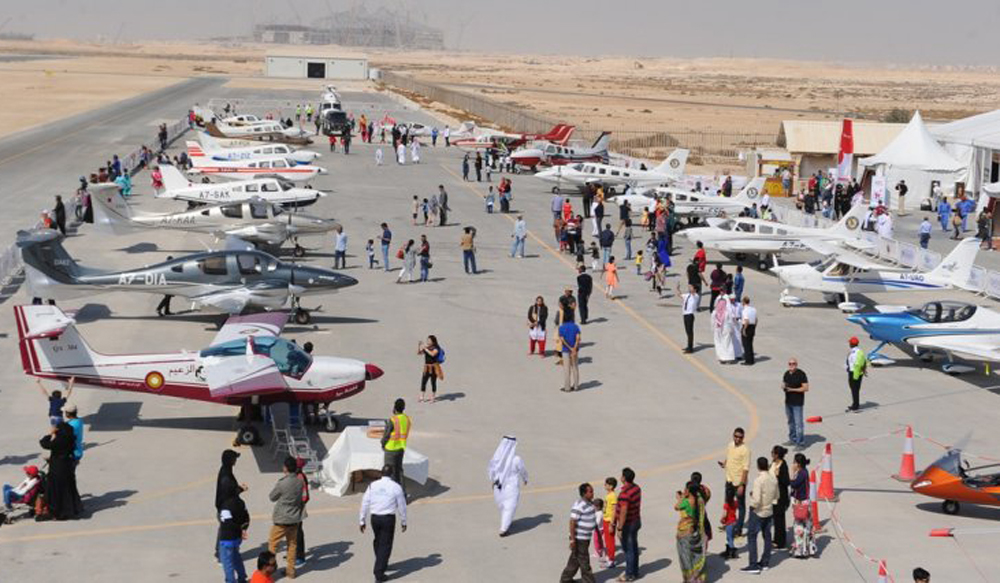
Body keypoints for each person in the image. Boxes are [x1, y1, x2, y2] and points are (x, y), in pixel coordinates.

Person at [359, 465, 408, 583]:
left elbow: (365, 502)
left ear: (381, 473)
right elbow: (402, 505)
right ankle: (379, 573)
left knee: (378, 541)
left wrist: (362, 520)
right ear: (391, 474)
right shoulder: (396, 487)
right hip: (388, 519)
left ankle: (381, 561)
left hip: (375, 518)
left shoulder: (372, 485)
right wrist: (404, 521)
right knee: (385, 544)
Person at [268, 456, 304, 579]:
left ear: (286, 468)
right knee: (292, 545)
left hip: (282, 519)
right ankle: (291, 571)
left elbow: (272, 497)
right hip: (294, 519)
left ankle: (270, 571)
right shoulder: (300, 482)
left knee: (273, 544)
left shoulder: (282, 483)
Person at [741, 457, 778, 574]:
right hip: (769, 511)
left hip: (758, 512)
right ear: (767, 466)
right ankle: (765, 562)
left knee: (752, 537)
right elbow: (776, 496)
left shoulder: (758, 480)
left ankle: (753, 565)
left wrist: (752, 503)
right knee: (767, 536)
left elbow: (756, 500)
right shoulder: (773, 479)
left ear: (758, 466)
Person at [39, 422, 81, 520]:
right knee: (66, 489)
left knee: (56, 490)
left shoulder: (59, 441)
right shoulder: (70, 439)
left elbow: (44, 443)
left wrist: (51, 434)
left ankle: (57, 512)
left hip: (57, 469)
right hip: (67, 466)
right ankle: (70, 510)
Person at [488, 436, 528, 536]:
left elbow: (491, 470)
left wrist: (492, 480)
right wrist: (525, 479)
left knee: (503, 507)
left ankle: (505, 522)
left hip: (498, 487)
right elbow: (523, 470)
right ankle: (503, 529)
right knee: (510, 508)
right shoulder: (516, 459)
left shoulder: (497, 458)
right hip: (511, 489)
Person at [560, 482, 598, 583]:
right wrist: (572, 539)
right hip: (580, 538)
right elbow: (572, 522)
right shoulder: (579, 506)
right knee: (584, 560)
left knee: (575, 559)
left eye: (592, 491)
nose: (593, 493)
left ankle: (565, 579)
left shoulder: (590, 503)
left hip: (586, 538)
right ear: (584, 493)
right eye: (590, 492)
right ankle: (588, 581)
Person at [215, 449, 248, 560]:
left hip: (224, 506)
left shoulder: (226, 471)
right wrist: (241, 489)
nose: (236, 461)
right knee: (228, 532)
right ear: (230, 460)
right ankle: (223, 556)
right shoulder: (226, 477)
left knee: (223, 530)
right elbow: (230, 493)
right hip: (226, 508)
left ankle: (219, 553)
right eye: (234, 458)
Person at [719, 427, 750, 537]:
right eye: (736, 436)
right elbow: (728, 457)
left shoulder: (745, 450)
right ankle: (729, 523)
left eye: (740, 437)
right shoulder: (730, 445)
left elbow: (746, 469)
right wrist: (724, 464)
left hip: (738, 482)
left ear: (743, 438)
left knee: (741, 506)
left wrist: (742, 485)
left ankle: (739, 529)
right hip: (729, 479)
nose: (737, 439)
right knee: (728, 503)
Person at [218, 482, 250, 583]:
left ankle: (231, 581)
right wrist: (243, 529)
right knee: (236, 557)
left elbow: (228, 523)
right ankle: (242, 578)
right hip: (237, 537)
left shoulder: (225, 505)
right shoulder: (241, 502)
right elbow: (247, 517)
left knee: (227, 563)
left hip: (227, 538)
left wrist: (239, 530)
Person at [675, 480, 707, 583]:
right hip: (693, 530)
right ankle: (697, 578)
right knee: (694, 557)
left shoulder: (685, 501)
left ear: (689, 491)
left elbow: (676, 507)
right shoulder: (699, 500)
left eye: (686, 489)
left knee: (686, 558)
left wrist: (680, 498)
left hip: (684, 533)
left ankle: (690, 580)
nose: (684, 490)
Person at [614, 467, 642, 582]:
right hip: (636, 520)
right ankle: (634, 571)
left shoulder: (624, 494)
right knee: (634, 547)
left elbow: (623, 512)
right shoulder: (636, 488)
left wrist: (619, 528)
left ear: (624, 478)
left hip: (628, 524)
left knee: (628, 550)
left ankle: (629, 574)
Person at [381, 398, 411, 497]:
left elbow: (386, 435)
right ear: (404, 408)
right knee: (399, 471)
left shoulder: (393, 420)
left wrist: (383, 444)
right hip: (401, 448)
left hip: (391, 449)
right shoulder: (407, 418)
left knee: (390, 473)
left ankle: (393, 496)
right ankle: (403, 494)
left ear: (394, 408)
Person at [789, 454, 815, 558]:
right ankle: (809, 548)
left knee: (799, 527)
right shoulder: (804, 471)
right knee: (808, 525)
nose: (793, 464)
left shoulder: (801, 473)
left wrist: (791, 472)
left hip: (801, 503)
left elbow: (793, 484)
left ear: (798, 464)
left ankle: (799, 550)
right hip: (806, 502)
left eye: (794, 462)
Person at [771, 446, 790, 550]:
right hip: (773, 496)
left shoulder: (783, 465)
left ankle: (780, 542)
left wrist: (778, 476)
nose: (772, 455)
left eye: (773, 453)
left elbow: (787, 481)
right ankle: (776, 539)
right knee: (776, 519)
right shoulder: (773, 463)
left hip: (780, 497)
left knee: (780, 520)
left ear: (777, 455)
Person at [558, 312, 581, 392]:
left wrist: (570, 348)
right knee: (575, 367)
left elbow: (562, 339)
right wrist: (574, 348)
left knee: (567, 369)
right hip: (575, 350)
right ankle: (576, 386)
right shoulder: (576, 327)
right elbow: (578, 338)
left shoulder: (561, 327)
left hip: (566, 350)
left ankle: (567, 387)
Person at [712, 294, 738, 363]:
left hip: (718, 330)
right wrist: (732, 329)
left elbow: (712, 323)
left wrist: (713, 330)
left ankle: (722, 358)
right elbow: (731, 322)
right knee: (727, 343)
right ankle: (728, 358)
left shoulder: (715, 313)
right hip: (726, 330)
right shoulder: (727, 313)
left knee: (720, 344)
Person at [846, 336, 868, 412]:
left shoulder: (853, 352)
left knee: (854, 389)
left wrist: (855, 375)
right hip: (859, 373)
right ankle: (856, 403)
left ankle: (855, 405)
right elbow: (864, 361)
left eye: (850, 343)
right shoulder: (860, 351)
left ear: (851, 344)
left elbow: (857, 364)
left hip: (854, 373)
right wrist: (864, 370)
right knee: (856, 389)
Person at [418, 334, 443, 401]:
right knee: (423, 381)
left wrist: (425, 348)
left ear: (433, 341)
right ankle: (421, 397)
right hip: (426, 367)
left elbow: (432, 354)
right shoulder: (427, 347)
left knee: (433, 382)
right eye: (427, 340)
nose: (427, 341)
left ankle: (433, 397)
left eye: (429, 340)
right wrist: (419, 346)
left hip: (433, 367)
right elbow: (419, 353)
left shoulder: (436, 348)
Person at [720, 483, 739, 560]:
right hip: (734, 521)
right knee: (731, 536)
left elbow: (724, 515)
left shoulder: (726, 505)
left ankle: (731, 551)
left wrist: (722, 519)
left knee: (729, 537)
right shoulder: (735, 503)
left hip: (729, 523)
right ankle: (730, 549)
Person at [602, 477, 618, 567]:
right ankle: (608, 556)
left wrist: (612, 523)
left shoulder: (613, 496)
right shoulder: (608, 494)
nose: (605, 485)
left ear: (611, 486)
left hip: (609, 521)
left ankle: (611, 560)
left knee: (610, 541)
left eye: (606, 484)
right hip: (605, 519)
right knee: (607, 540)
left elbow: (614, 510)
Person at [679, 283, 699, 353]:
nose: (690, 288)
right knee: (687, 331)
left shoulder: (696, 296)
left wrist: (692, 288)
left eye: (691, 287)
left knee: (690, 332)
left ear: (695, 289)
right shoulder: (687, 295)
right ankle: (688, 346)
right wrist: (678, 289)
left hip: (690, 315)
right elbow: (680, 295)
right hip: (685, 314)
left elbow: (693, 294)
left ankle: (690, 348)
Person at [739, 296, 758, 365]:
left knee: (746, 345)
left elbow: (746, 320)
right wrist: (754, 327)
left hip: (746, 326)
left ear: (743, 302)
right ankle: (751, 359)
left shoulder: (744, 310)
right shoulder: (753, 309)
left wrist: (744, 329)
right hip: (752, 326)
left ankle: (748, 361)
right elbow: (756, 320)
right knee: (750, 344)